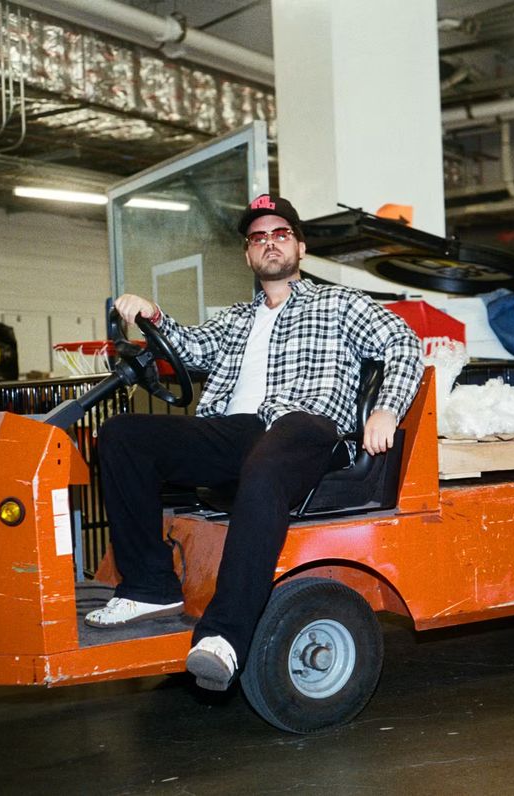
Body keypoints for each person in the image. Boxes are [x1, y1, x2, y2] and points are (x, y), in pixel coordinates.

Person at [85, 194, 423, 692]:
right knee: (122, 436)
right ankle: (150, 586)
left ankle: (224, 636)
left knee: (267, 459)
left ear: (300, 247)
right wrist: (153, 315)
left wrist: (386, 407)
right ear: (248, 255)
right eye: (258, 237)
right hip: (239, 428)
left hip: (307, 426)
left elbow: (403, 342)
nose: (269, 243)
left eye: (280, 233)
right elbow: (191, 346)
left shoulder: (339, 303)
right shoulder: (235, 319)